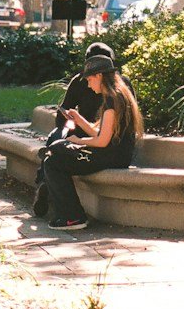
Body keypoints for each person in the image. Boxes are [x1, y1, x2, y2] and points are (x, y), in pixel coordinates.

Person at [35, 59, 141, 230]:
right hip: (113, 153)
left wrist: (77, 141)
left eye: (90, 79)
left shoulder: (112, 101)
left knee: (53, 163)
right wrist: (78, 119)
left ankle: (72, 217)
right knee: (56, 156)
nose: (88, 84)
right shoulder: (115, 96)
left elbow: (102, 141)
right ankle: (55, 150)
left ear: (99, 76)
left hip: (112, 156)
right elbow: (100, 134)